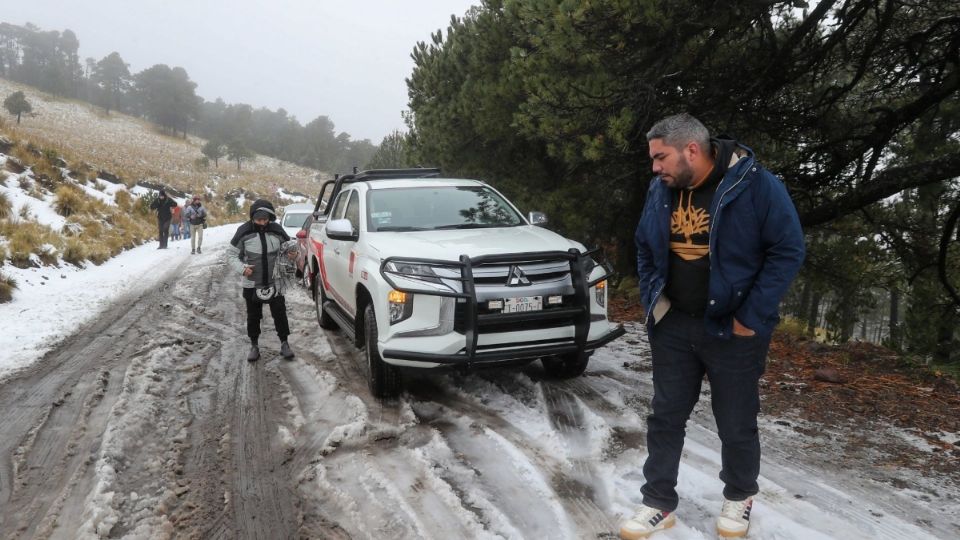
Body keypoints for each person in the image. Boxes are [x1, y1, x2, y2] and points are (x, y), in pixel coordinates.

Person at [623, 113, 805, 539]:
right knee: (665, 416)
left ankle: (740, 497)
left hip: (732, 330)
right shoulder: (661, 189)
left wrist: (750, 317)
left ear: (691, 149)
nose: (655, 167)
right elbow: (644, 246)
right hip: (674, 327)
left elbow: (788, 250)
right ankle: (658, 503)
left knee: (736, 420)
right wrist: (656, 299)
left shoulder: (755, 186)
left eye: (660, 157)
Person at [226, 199, 296, 362]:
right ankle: (254, 345)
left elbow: (289, 249)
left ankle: (285, 343)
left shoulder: (277, 230)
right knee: (253, 315)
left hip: (275, 281)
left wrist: (293, 255)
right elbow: (231, 254)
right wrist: (243, 269)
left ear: (270, 217)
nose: (263, 223)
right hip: (252, 283)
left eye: (266, 219)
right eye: (259, 220)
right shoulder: (243, 231)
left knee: (280, 313)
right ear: (252, 217)